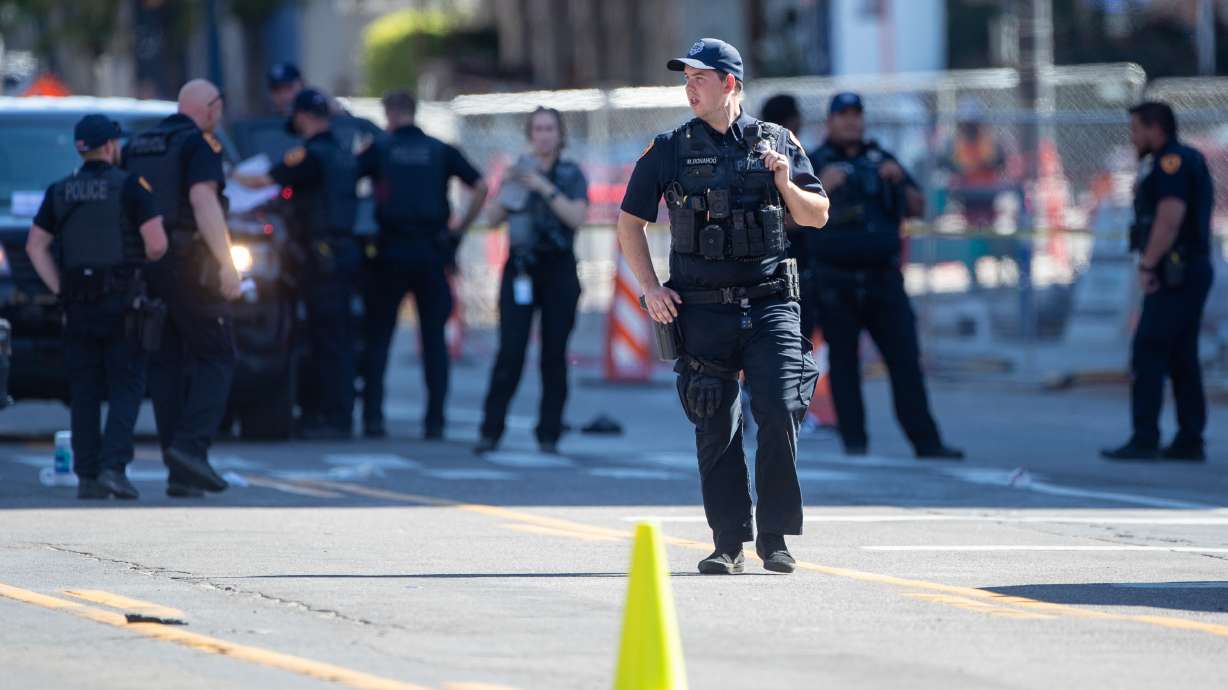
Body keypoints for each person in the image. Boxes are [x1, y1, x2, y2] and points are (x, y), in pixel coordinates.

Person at [617, 38, 828, 575]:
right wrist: (650, 288)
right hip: (701, 308)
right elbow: (629, 223)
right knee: (715, 423)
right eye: (685, 79)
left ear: (729, 84)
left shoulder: (775, 141)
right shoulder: (669, 147)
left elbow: (816, 214)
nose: (689, 88)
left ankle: (775, 537)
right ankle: (728, 543)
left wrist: (784, 180)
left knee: (780, 409)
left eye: (699, 79)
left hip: (769, 304)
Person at [807, 92, 963, 460]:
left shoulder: (881, 158)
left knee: (905, 361)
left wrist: (900, 182)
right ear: (829, 122)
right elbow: (789, 217)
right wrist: (821, 186)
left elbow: (919, 206)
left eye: (856, 115)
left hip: (883, 278)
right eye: (842, 116)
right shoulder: (814, 163)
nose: (850, 123)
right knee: (844, 367)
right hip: (836, 281)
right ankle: (855, 444)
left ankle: (927, 442)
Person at [25, 115, 167, 500]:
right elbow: (156, 244)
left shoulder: (60, 190)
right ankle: (113, 469)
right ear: (110, 147)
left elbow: (35, 245)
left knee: (84, 389)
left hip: (77, 306)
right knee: (126, 385)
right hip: (123, 304)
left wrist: (60, 289)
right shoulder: (131, 187)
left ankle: (87, 475)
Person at [125, 79, 241, 497]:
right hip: (190, 265)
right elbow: (203, 202)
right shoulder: (199, 145)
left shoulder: (138, 144)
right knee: (218, 354)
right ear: (210, 108)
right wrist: (227, 265)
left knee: (167, 364)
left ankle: (180, 474)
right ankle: (191, 449)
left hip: (146, 265)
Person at [357, 89, 488, 440]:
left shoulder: (380, 149)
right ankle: (435, 421)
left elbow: (350, 183)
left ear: (389, 114)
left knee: (379, 339)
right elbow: (481, 185)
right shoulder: (439, 150)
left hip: (390, 253)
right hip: (432, 253)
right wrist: (458, 229)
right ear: (414, 113)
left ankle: (372, 418)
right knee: (434, 342)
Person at [234, 88, 362, 439]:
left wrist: (229, 174)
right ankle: (338, 414)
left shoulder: (309, 156)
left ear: (304, 117)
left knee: (324, 339)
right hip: (342, 252)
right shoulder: (341, 152)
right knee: (338, 338)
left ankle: (330, 417)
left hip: (321, 257)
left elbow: (263, 180)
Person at [1102, 101, 1214, 463]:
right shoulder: (1177, 160)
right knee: (1182, 354)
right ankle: (1189, 438)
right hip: (1185, 270)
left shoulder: (1171, 162)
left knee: (1148, 350)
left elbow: (1170, 217)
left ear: (1155, 128)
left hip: (1174, 272)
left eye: (1136, 130)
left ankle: (1145, 437)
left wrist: (1148, 265)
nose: (1133, 138)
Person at [475, 106, 589, 454]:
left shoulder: (570, 173)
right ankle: (491, 430)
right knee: (510, 350)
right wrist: (507, 186)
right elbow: (492, 219)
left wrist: (544, 186)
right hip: (521, 268)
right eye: (538, 129)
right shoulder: (517, 171)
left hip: (557, 269)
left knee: (554, 354)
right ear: (530, 134)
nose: (543, 135)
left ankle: (549, 432)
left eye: (549, 129)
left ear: (559, 134)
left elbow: (576, 217)